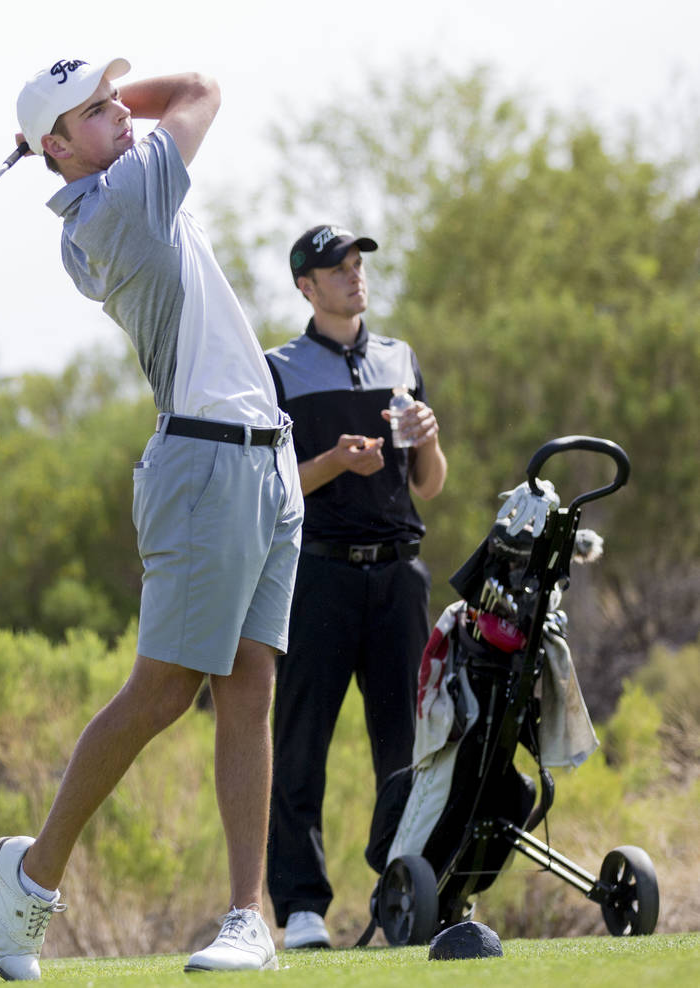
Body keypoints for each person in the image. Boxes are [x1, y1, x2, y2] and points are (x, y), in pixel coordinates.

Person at [0, 57, 303, 980]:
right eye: (95, 111)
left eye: (118, 100)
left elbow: (144, 111)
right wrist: (84, 121)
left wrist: (79, 114)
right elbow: (199, 87)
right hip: (206, 465)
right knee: (163, 690)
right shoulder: (122, 199)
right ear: (56, 148)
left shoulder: (113, 185)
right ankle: (33, 877)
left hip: (264, 459)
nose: (124, 113)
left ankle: (252, 918)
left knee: (249, 687)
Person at [264, 225, 447, 949]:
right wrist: (337, 462)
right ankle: (302, 907)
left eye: (357, 263)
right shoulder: (277, 370)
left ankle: (401, 886)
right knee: (300, 738)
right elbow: (274, 485)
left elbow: (430, 485)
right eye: (335, 267)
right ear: (306, 287)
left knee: (406, 742)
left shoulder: (400, 359)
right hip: (318, 573)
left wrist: (428, 437)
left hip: (399, 574)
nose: (352, 274)